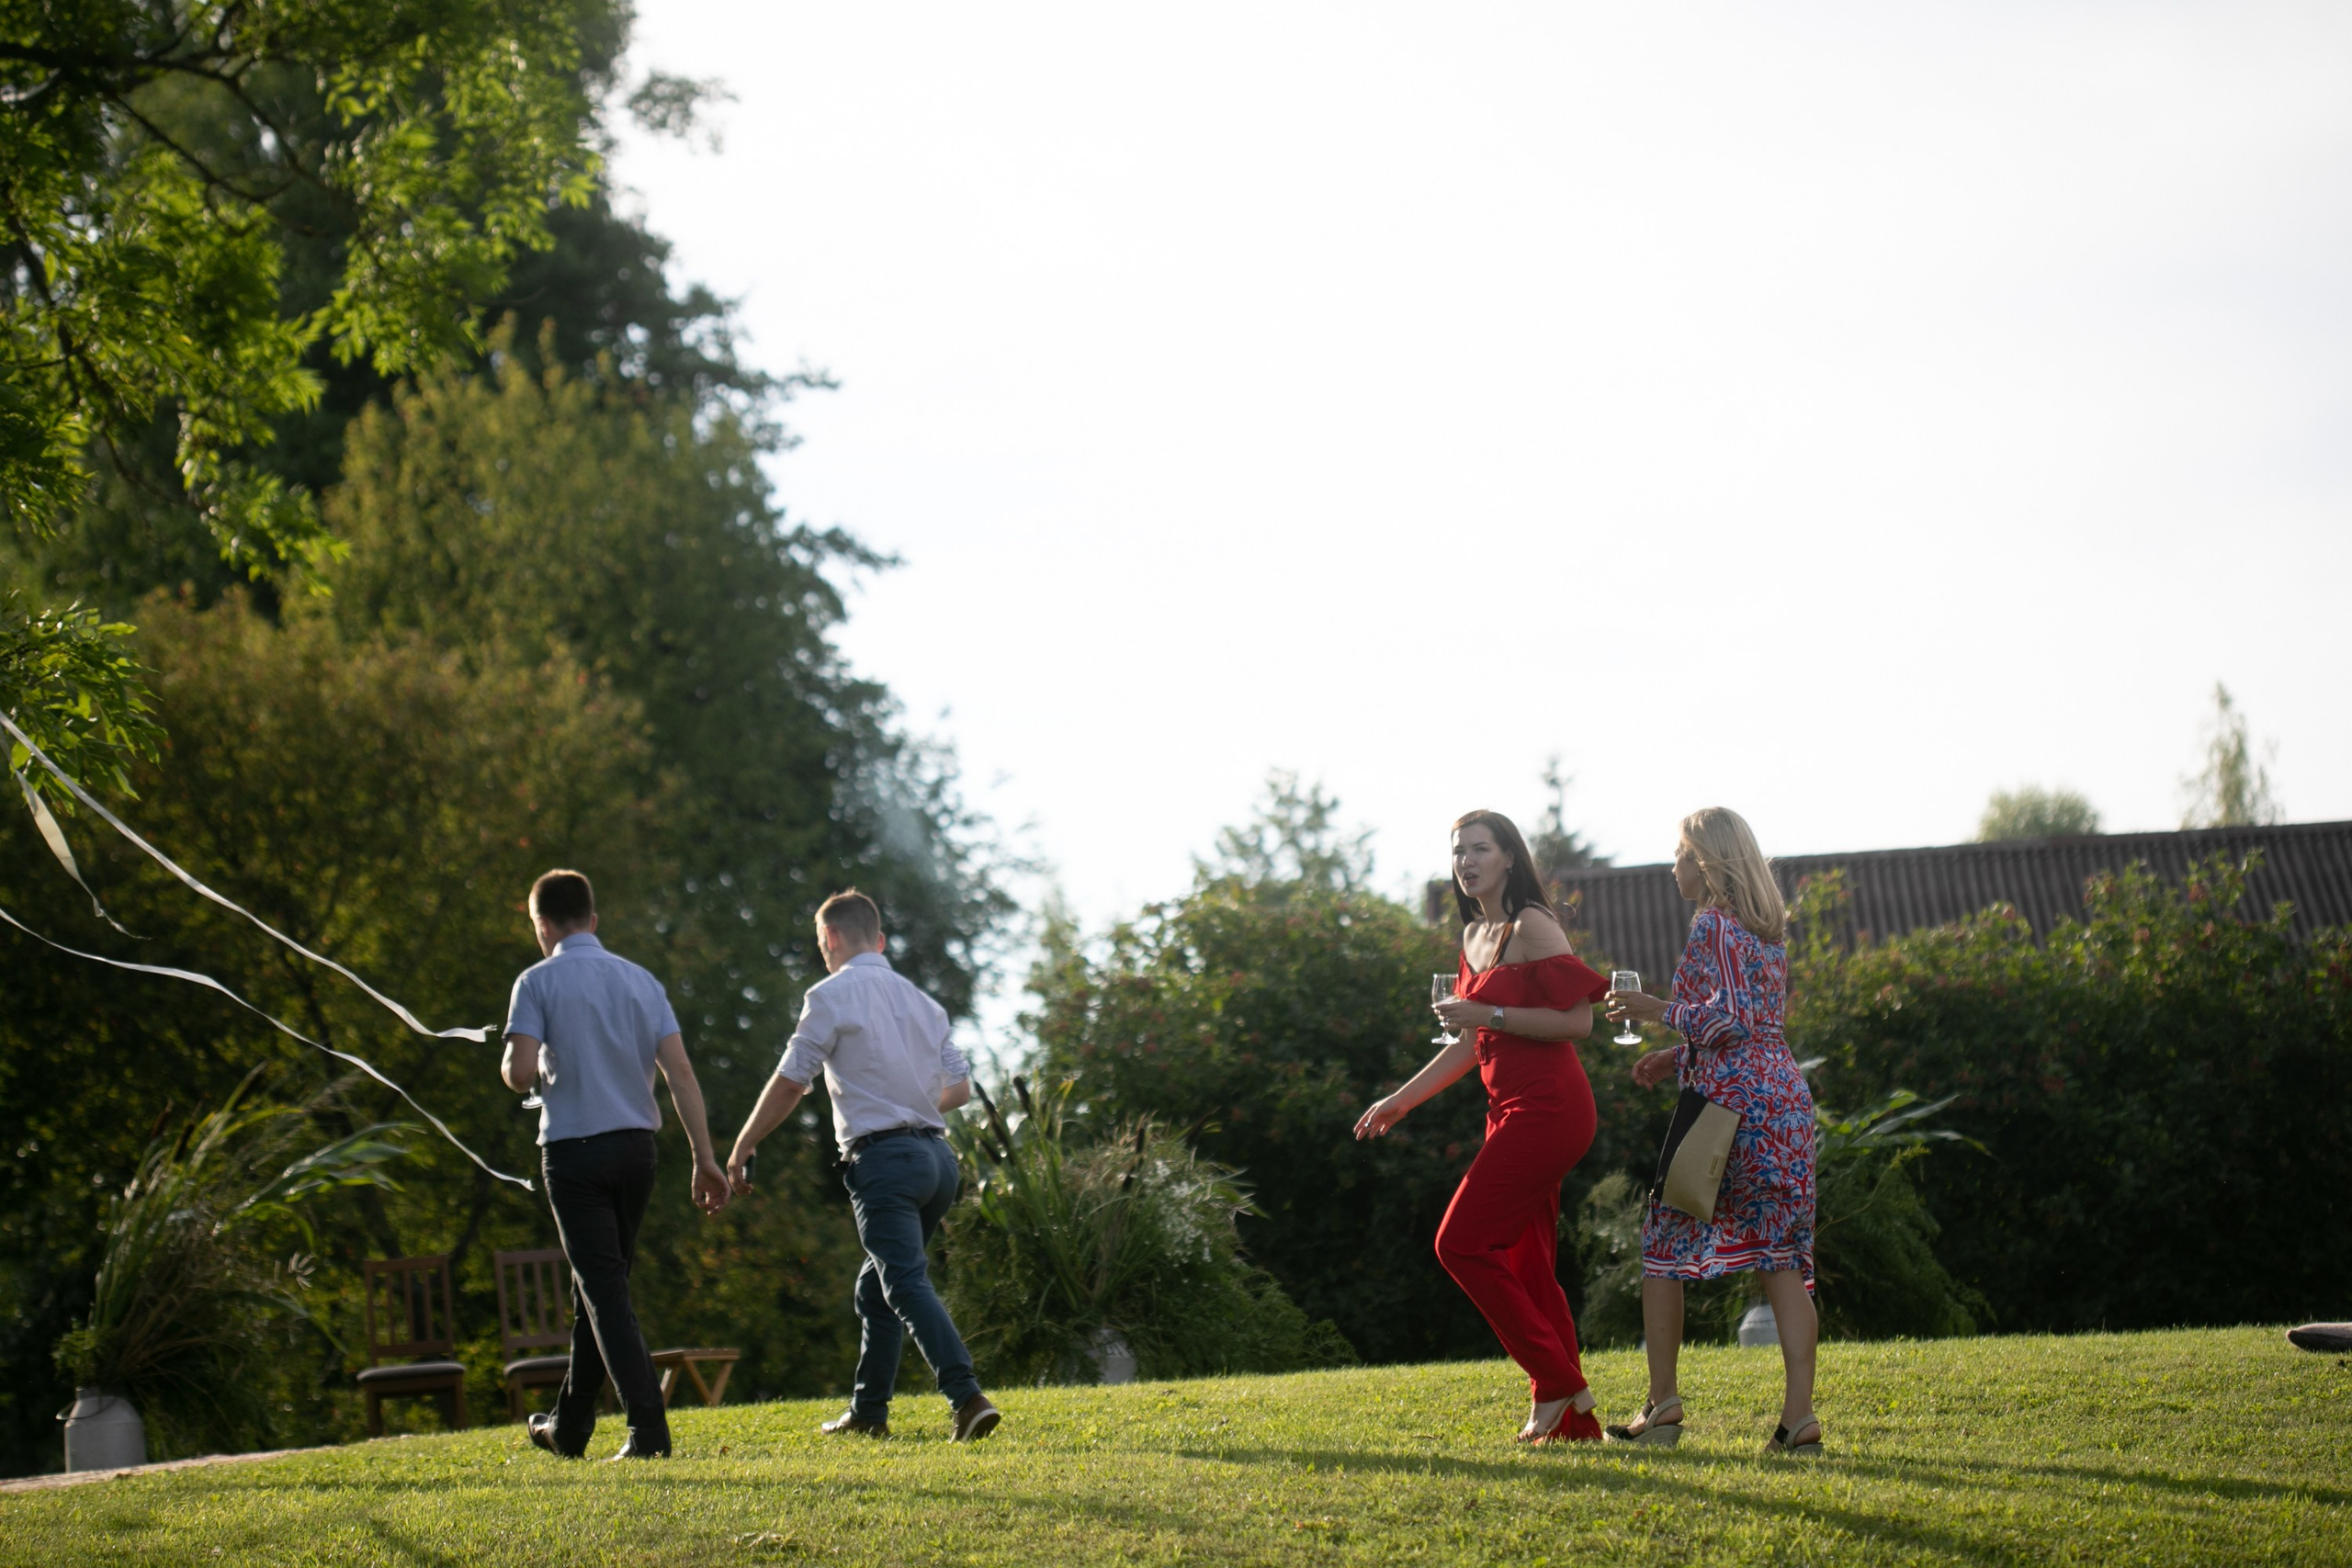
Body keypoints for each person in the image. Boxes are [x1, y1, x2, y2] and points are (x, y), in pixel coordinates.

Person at [1355, 809, 1611, 1444]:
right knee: (1526, 1261)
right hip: (1508, 1112)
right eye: (1458, 851)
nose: (1466, 861)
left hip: (1551, 1109)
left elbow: (1578, 1021)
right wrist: (1400, 1100)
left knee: (1460, 1242)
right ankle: (1573, 1423)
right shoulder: (1475, 935)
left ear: (1508, 857)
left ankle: (1558, 1384)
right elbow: (1471, 1044)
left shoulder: (1533, 924)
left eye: (1480, 848)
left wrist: (1486, 1008)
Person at [725, 889, 1001, 1443]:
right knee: (875, 1287)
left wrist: (742, 1145)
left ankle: (966, 1396)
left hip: (886, 1162)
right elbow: (961, 1087)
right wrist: (911, 1103)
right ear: (878, 940)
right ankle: (869, 1412)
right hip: (938, 1163)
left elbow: (792, 1080)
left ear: (829, 940)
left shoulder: (828, 996)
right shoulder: (925, 1003)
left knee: (902, 1282)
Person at [1602, 807, 1823, 1456]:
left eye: (1679, 854)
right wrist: (1674, 1054)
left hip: (1726, 1112)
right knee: (1782, 1258)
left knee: (1661, 1245)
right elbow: (1754, 1026)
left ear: (1705, 860)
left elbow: (1723, 1020)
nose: (1672, 866)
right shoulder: (1766, 931)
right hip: (1782, 1103)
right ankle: (1799, 1418)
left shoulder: (1713, 924)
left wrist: (1654, 1011)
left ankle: (1663, 1405)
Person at [501, 868, 731, 1461]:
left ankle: (648, 1430)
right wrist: (706, 1158)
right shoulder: (642, 982)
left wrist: (514, 1057)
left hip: (575, 1154)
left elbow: (520, 1073)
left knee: (603, 1291)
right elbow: (680, 1074)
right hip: (637, 1153)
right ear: (594, 920)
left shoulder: (536, 982)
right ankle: (569, 1428)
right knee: (598, 1290)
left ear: (543, 925)